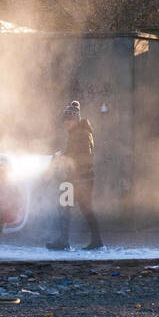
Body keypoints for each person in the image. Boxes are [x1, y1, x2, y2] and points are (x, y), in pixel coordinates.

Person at [45, 101, 104, 251]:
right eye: (65, 120)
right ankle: (96, 241)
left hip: (79, 178)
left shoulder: (81, 134)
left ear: (75, 119)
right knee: (83, 209)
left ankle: (64, 241)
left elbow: (82, 155)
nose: (66, 123)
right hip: (81, 178)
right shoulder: (79, 132)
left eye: (68, 120)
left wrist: (62, 157)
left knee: (65, 206)